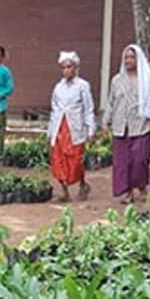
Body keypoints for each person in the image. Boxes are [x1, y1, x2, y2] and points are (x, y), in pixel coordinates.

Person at [105, 44, 150, 205]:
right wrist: (107, 120)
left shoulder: (147, 81)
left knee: (140, 160)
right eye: (126, 57)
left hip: (141, 127)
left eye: (132, 57)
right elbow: (111, 102)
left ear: (138, 59)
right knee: (122, 162)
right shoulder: (117, 81)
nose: (128, 60)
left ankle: (141, 186)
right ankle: (127, 192)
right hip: (121, 127)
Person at [49, 51, 95, 201]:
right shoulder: (58, 87)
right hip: (59, 129)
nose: (66, 70)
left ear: (75, 68)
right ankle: (64, 191)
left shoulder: (83, 86)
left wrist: (91, 129)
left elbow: (88, 109)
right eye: (63, 67)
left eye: (69, 67)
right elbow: (54, 110)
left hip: (75, 128)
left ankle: (83, 184)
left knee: (75, 161)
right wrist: (50, 132)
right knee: (58, 160)